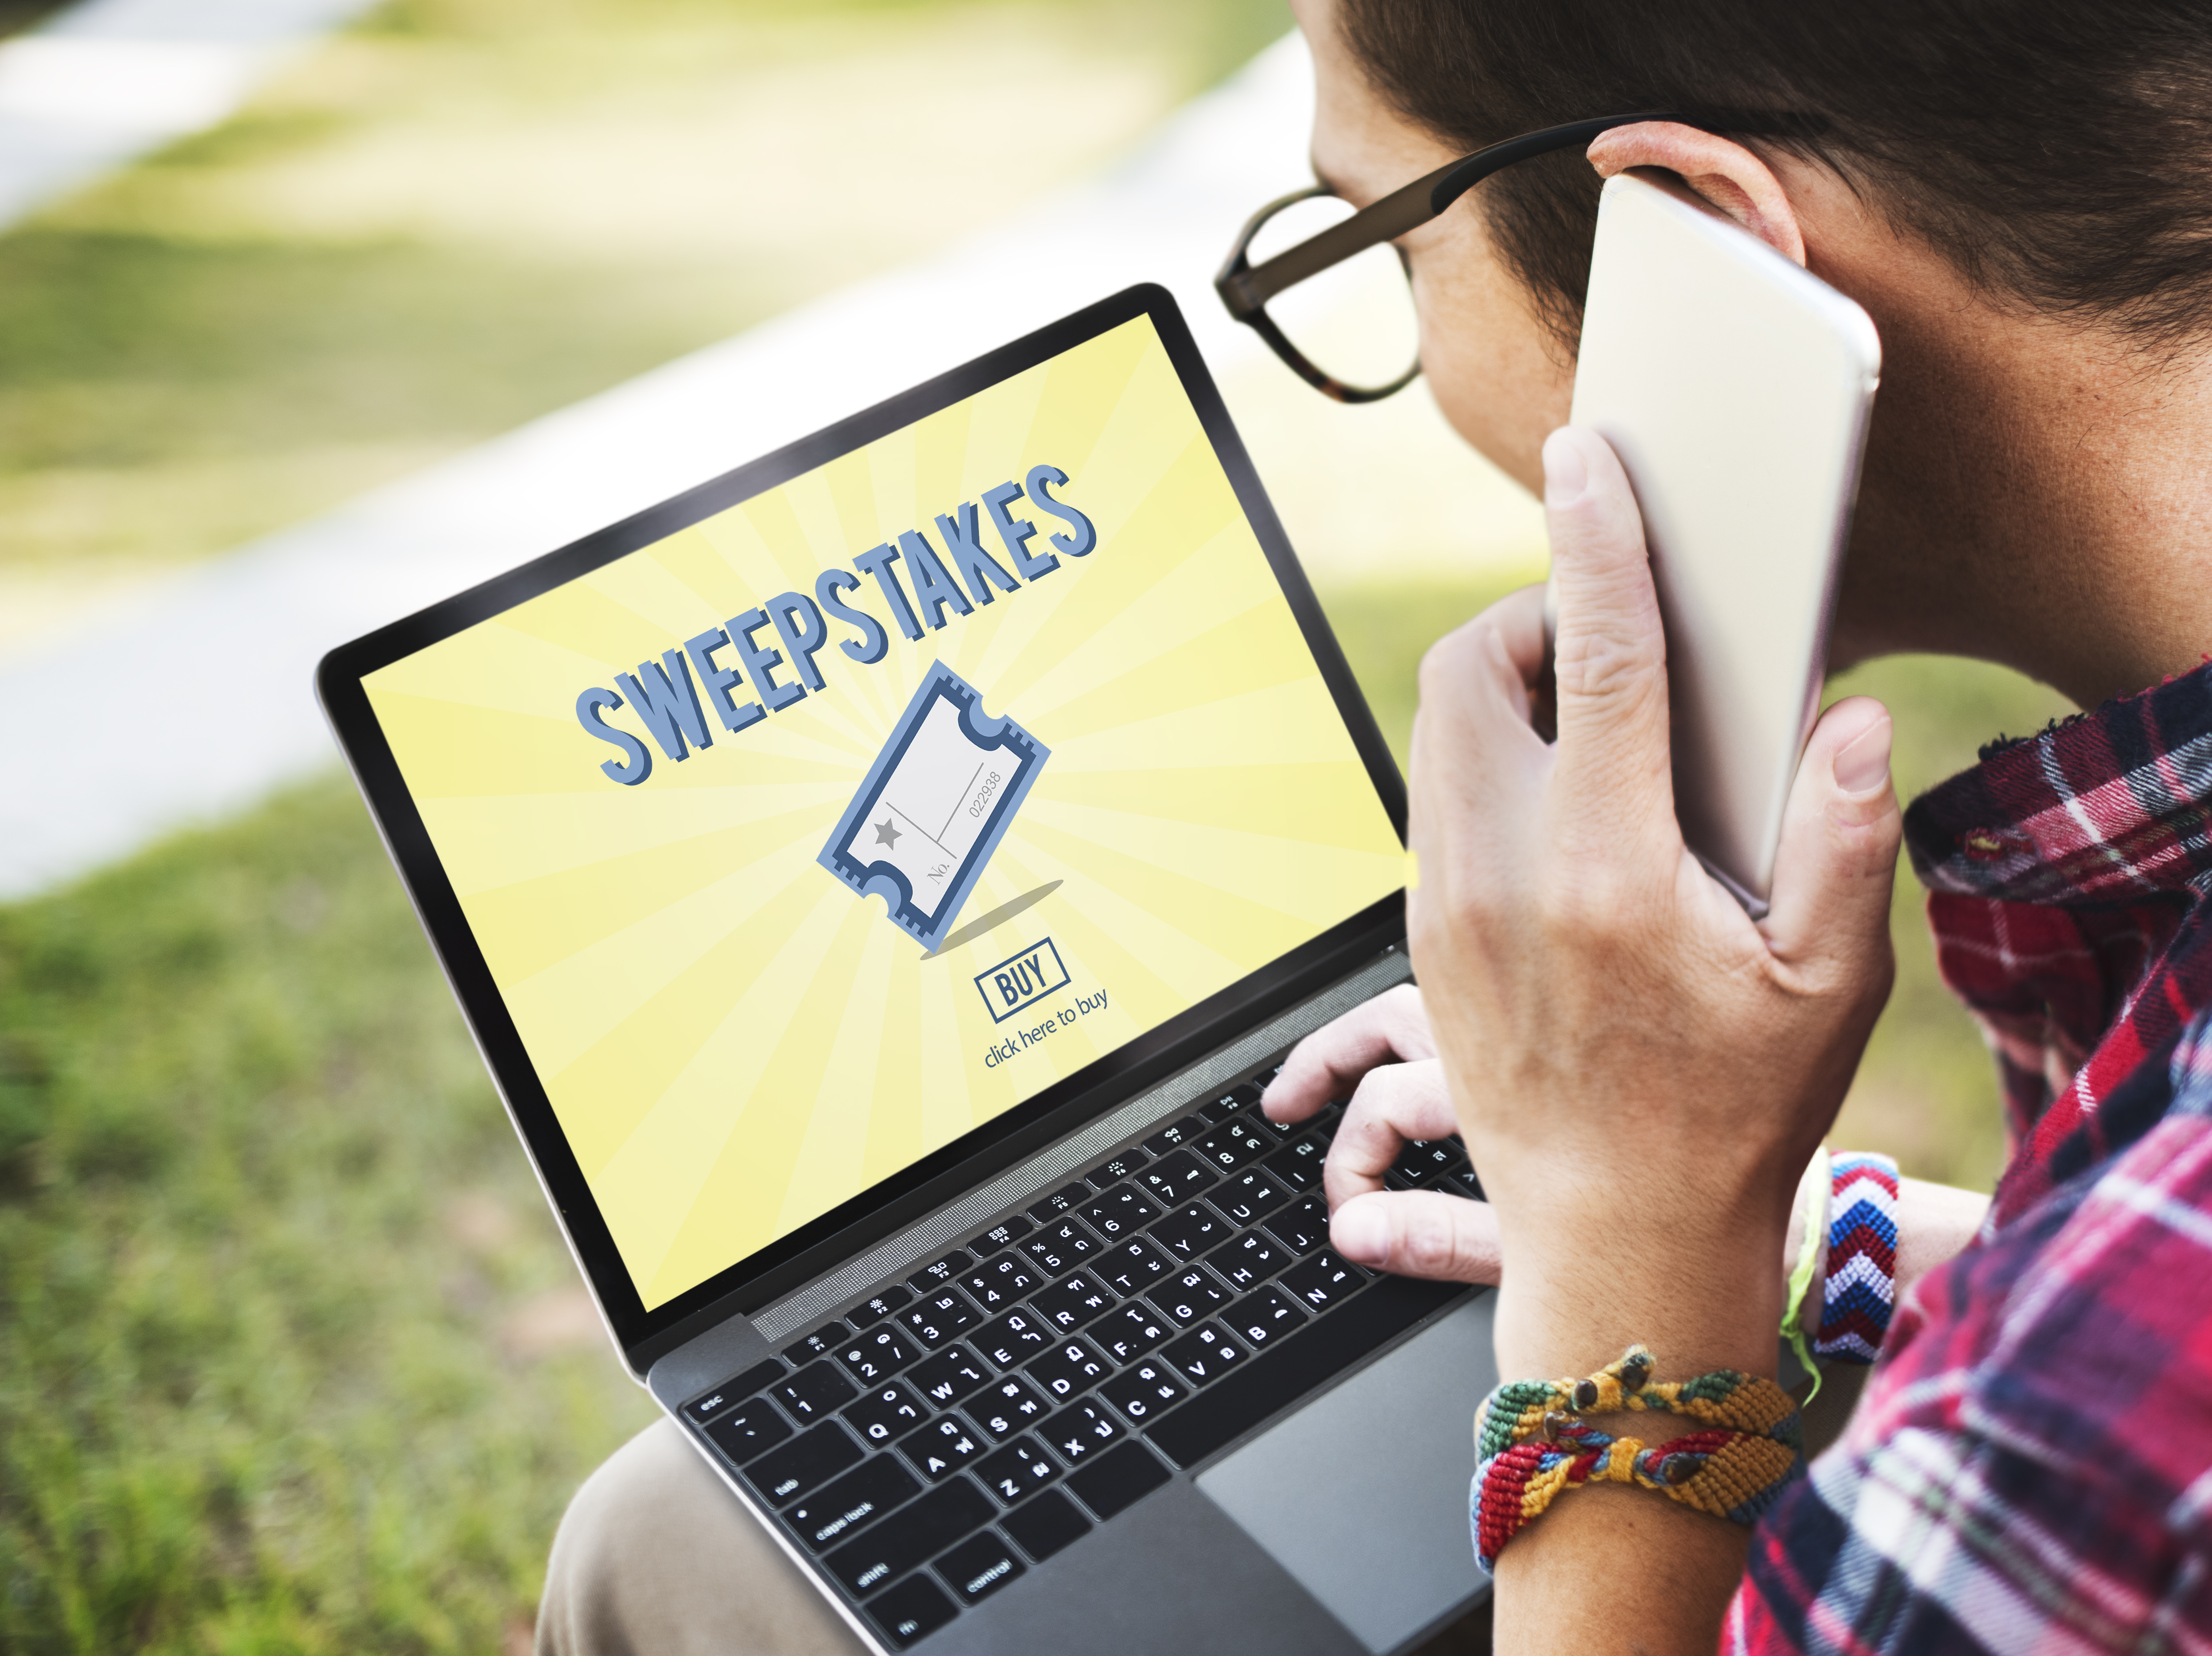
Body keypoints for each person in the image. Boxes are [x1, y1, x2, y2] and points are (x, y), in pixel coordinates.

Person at [538, 0, 2212, 1650]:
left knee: (656, 1550)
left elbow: (2096, 1381)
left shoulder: (2081, 1450)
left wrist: (1627, 1286)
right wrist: (1769, 1231)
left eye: (1383, 244)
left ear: (1710, 258)